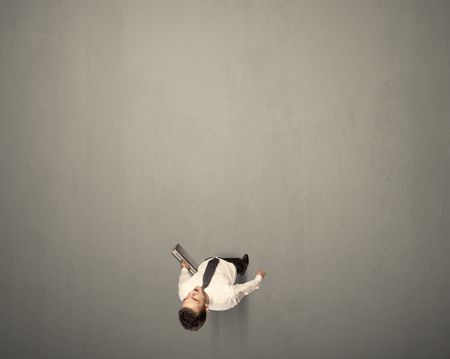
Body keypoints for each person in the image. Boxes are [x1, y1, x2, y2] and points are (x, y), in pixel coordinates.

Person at [177, 254, 266, 331]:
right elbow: (244, 289)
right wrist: (258, 279)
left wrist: (184, 268)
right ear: (206, 307)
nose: (191, 293)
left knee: (210, 259)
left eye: (186, 299)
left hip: (207, 262)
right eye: (195, 299)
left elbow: (183, 278)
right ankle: (243, 266)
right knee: (239, 264)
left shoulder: (183, 291)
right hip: (228, 266)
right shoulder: (227, 297)